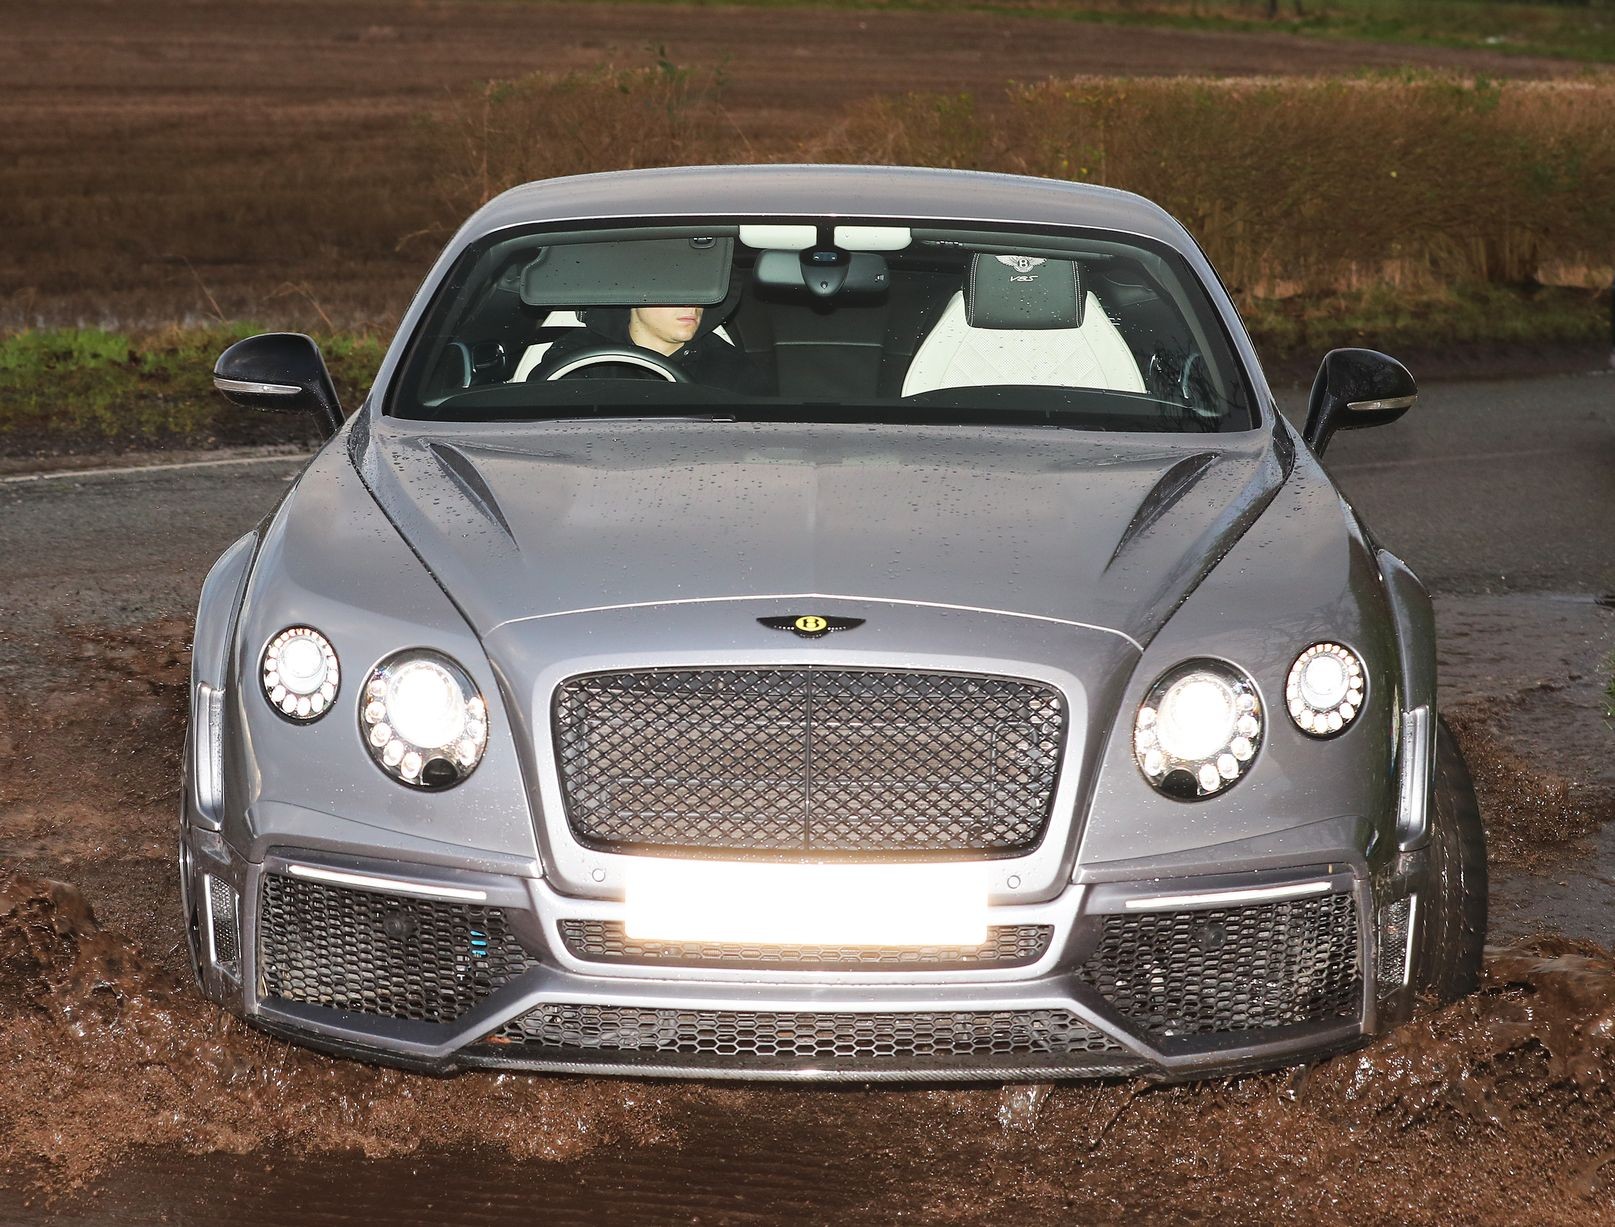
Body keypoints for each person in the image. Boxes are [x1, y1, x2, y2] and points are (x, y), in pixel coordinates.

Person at [531, 304, 768, 394]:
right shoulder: (577, 357)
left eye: (700, 288)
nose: (692, 304)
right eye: (675, 290)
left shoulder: (730, 367)